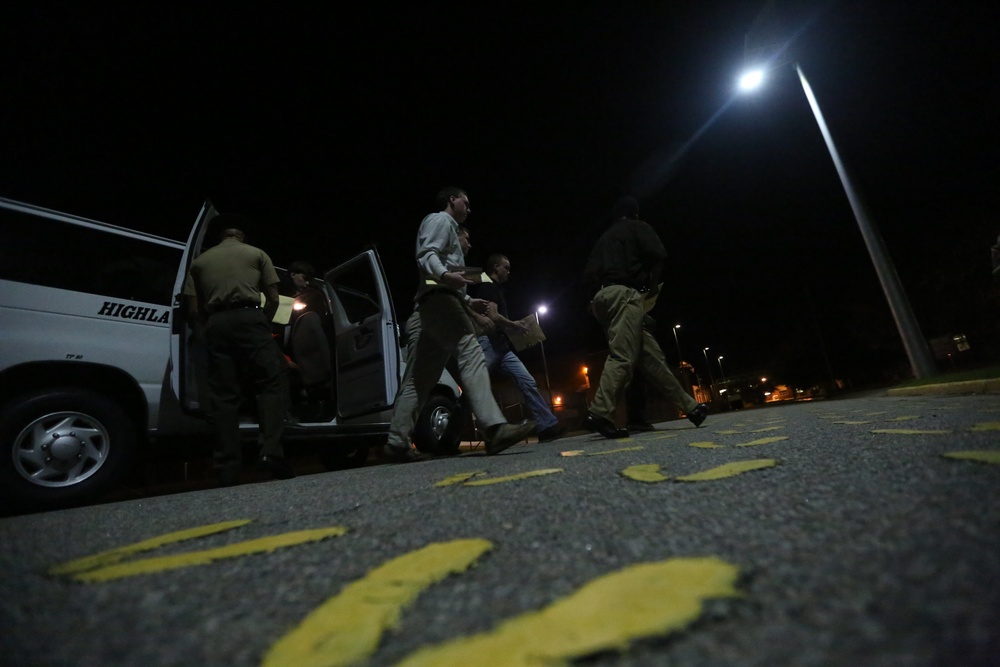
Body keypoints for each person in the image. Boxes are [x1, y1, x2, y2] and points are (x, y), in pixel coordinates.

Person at [384, 187, 536, 462]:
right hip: (439, 301)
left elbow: (439, 267)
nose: (469, 208)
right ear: (451, 200)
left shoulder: (449, 229)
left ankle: (396, 441)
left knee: (421, 379)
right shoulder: (441, 220)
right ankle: (494, 428)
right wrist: (444, 275)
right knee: (471, 351)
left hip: (435, 302)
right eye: (465, 202)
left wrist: (466, 299)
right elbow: (425, 255)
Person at [582, 196, 708, 438]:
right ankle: (599, 412)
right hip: (625, 295)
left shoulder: (604, 239)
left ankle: (691, 408)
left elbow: (588, 275)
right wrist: (650, 289)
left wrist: (593, 301)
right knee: (622, 356)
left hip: (601, 298)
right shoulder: (638, 227)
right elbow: (659, 257)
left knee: (651, 357)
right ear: (635, 213)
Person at [183, 221, 295, 484]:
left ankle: (227, 467)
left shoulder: (200, 262)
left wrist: (210, 325)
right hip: (250, 318)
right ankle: (271, 453)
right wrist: (262, 324)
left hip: (216, 324)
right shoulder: (255, 254)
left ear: (221, 236)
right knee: (272, 381)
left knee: (223, 396)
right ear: (241, 236)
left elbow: (192, 308)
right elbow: (275, 299)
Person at [469, 253, 567, 442]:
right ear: (496, 267)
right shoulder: (488, 286)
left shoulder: (496, 288)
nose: (508, 271)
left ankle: (546, 426)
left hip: (501, 346)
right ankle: (450, 433)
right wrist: (516, 325)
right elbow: (494, 316)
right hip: (487, 343)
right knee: (475, 385)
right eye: (506, 267)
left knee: (527, 380)